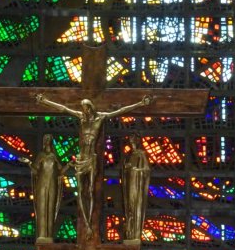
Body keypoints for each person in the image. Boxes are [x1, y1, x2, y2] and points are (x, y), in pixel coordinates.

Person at [36, 94, 153, 237]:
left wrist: (140, 103)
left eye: (87, 108)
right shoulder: (81, 117)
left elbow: (120, 111)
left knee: (91, 190)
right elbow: (64, 109)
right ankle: (86, 224)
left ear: (91, 107)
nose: (85, 111)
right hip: (81, 158)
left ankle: (90, 224)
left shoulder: (100, 118)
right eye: (83, 109)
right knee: (80, 190)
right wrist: (45, 101)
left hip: (92, 158)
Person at [19, 134, 65, 243]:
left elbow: (60, 171)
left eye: (49, 139)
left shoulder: (54, 156)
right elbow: (35, 171)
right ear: (43, 142)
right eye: (46, 139)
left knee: (51, 208)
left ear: (52, 141)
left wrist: (69, 165)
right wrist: (29, 163)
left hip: (52, 183)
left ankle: (49, 235)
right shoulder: (41, 155)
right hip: (41, 183)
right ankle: (42, 235)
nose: (47, 140)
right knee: (42, 208)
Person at [121, 134, 150, 243]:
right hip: (129, 182)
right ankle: (129, 229)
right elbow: (124, 171)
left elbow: (146, 170)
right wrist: (126, 168)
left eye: (134, 142)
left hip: (137, 182)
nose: (132, 144)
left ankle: (135, 232)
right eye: (130, 143)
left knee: (135, 204)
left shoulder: (141, 155)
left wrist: (135, 169)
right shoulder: (129, 156)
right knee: (130, 206)